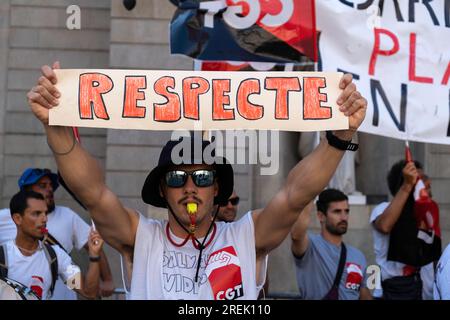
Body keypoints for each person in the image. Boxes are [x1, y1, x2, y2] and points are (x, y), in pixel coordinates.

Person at [26, 61, 366, 299]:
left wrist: (339, 137)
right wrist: (55, 129)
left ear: (216, 188)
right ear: (162, 190)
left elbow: (296, 194)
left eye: (202, 177)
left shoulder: (247, 237)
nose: (190, 187)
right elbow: (94, 194)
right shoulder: (141, 238)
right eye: (177, 178)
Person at [0, 168, 114, 299]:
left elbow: (88, 292)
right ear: (17, 218)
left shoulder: (56, 256)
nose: (44, 219)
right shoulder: (3, 256)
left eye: (44, 213)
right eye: (37, 214)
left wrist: (94, 257)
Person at [370, 160, 440, 300]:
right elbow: (385, 226)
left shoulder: (427, 215)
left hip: (425, 293)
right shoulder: (384, 209)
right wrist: (407, 187)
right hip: (396, 293)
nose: (427, 183)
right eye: (420, 179)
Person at [291, 188, 372, 300]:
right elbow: (296, 235)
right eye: (337, 212)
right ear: (321, 216)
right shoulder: (310, 246)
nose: (344, 217)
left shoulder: (358, 256)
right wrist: (311, 190)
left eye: (346, 211)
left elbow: (364, 294)